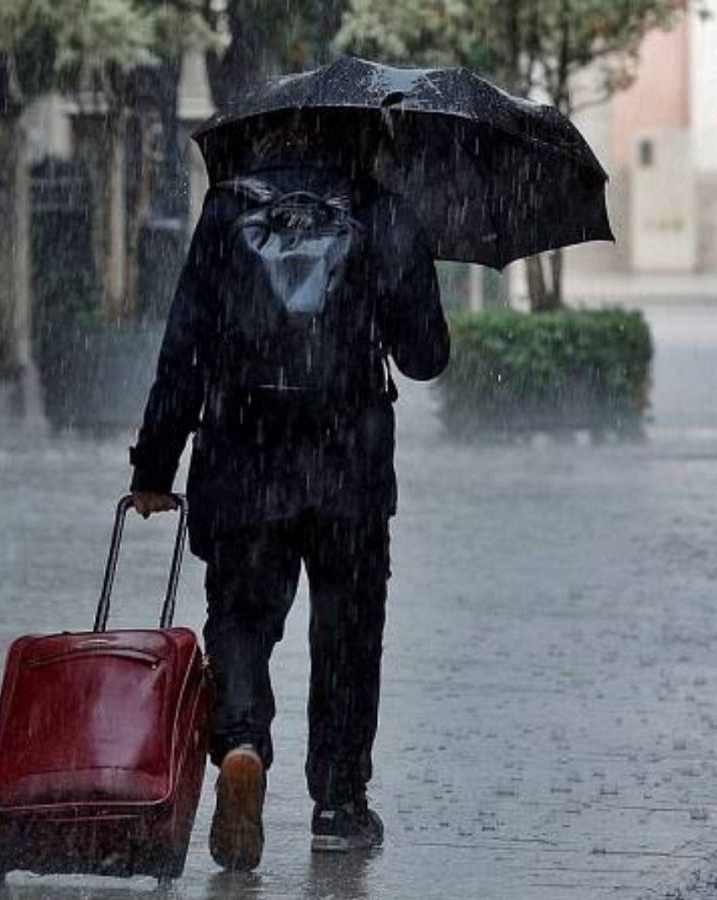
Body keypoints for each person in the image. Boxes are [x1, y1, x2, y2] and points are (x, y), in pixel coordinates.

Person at [127, 128, 448, 869]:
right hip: (349, 470)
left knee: (240, 618)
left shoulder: (227, 209)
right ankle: (338, 803)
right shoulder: (382, 211)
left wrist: (154, 464)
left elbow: (184, 347)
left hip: (243, 453)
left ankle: (242, 744)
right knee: (346, 633)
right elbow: (427, 357)